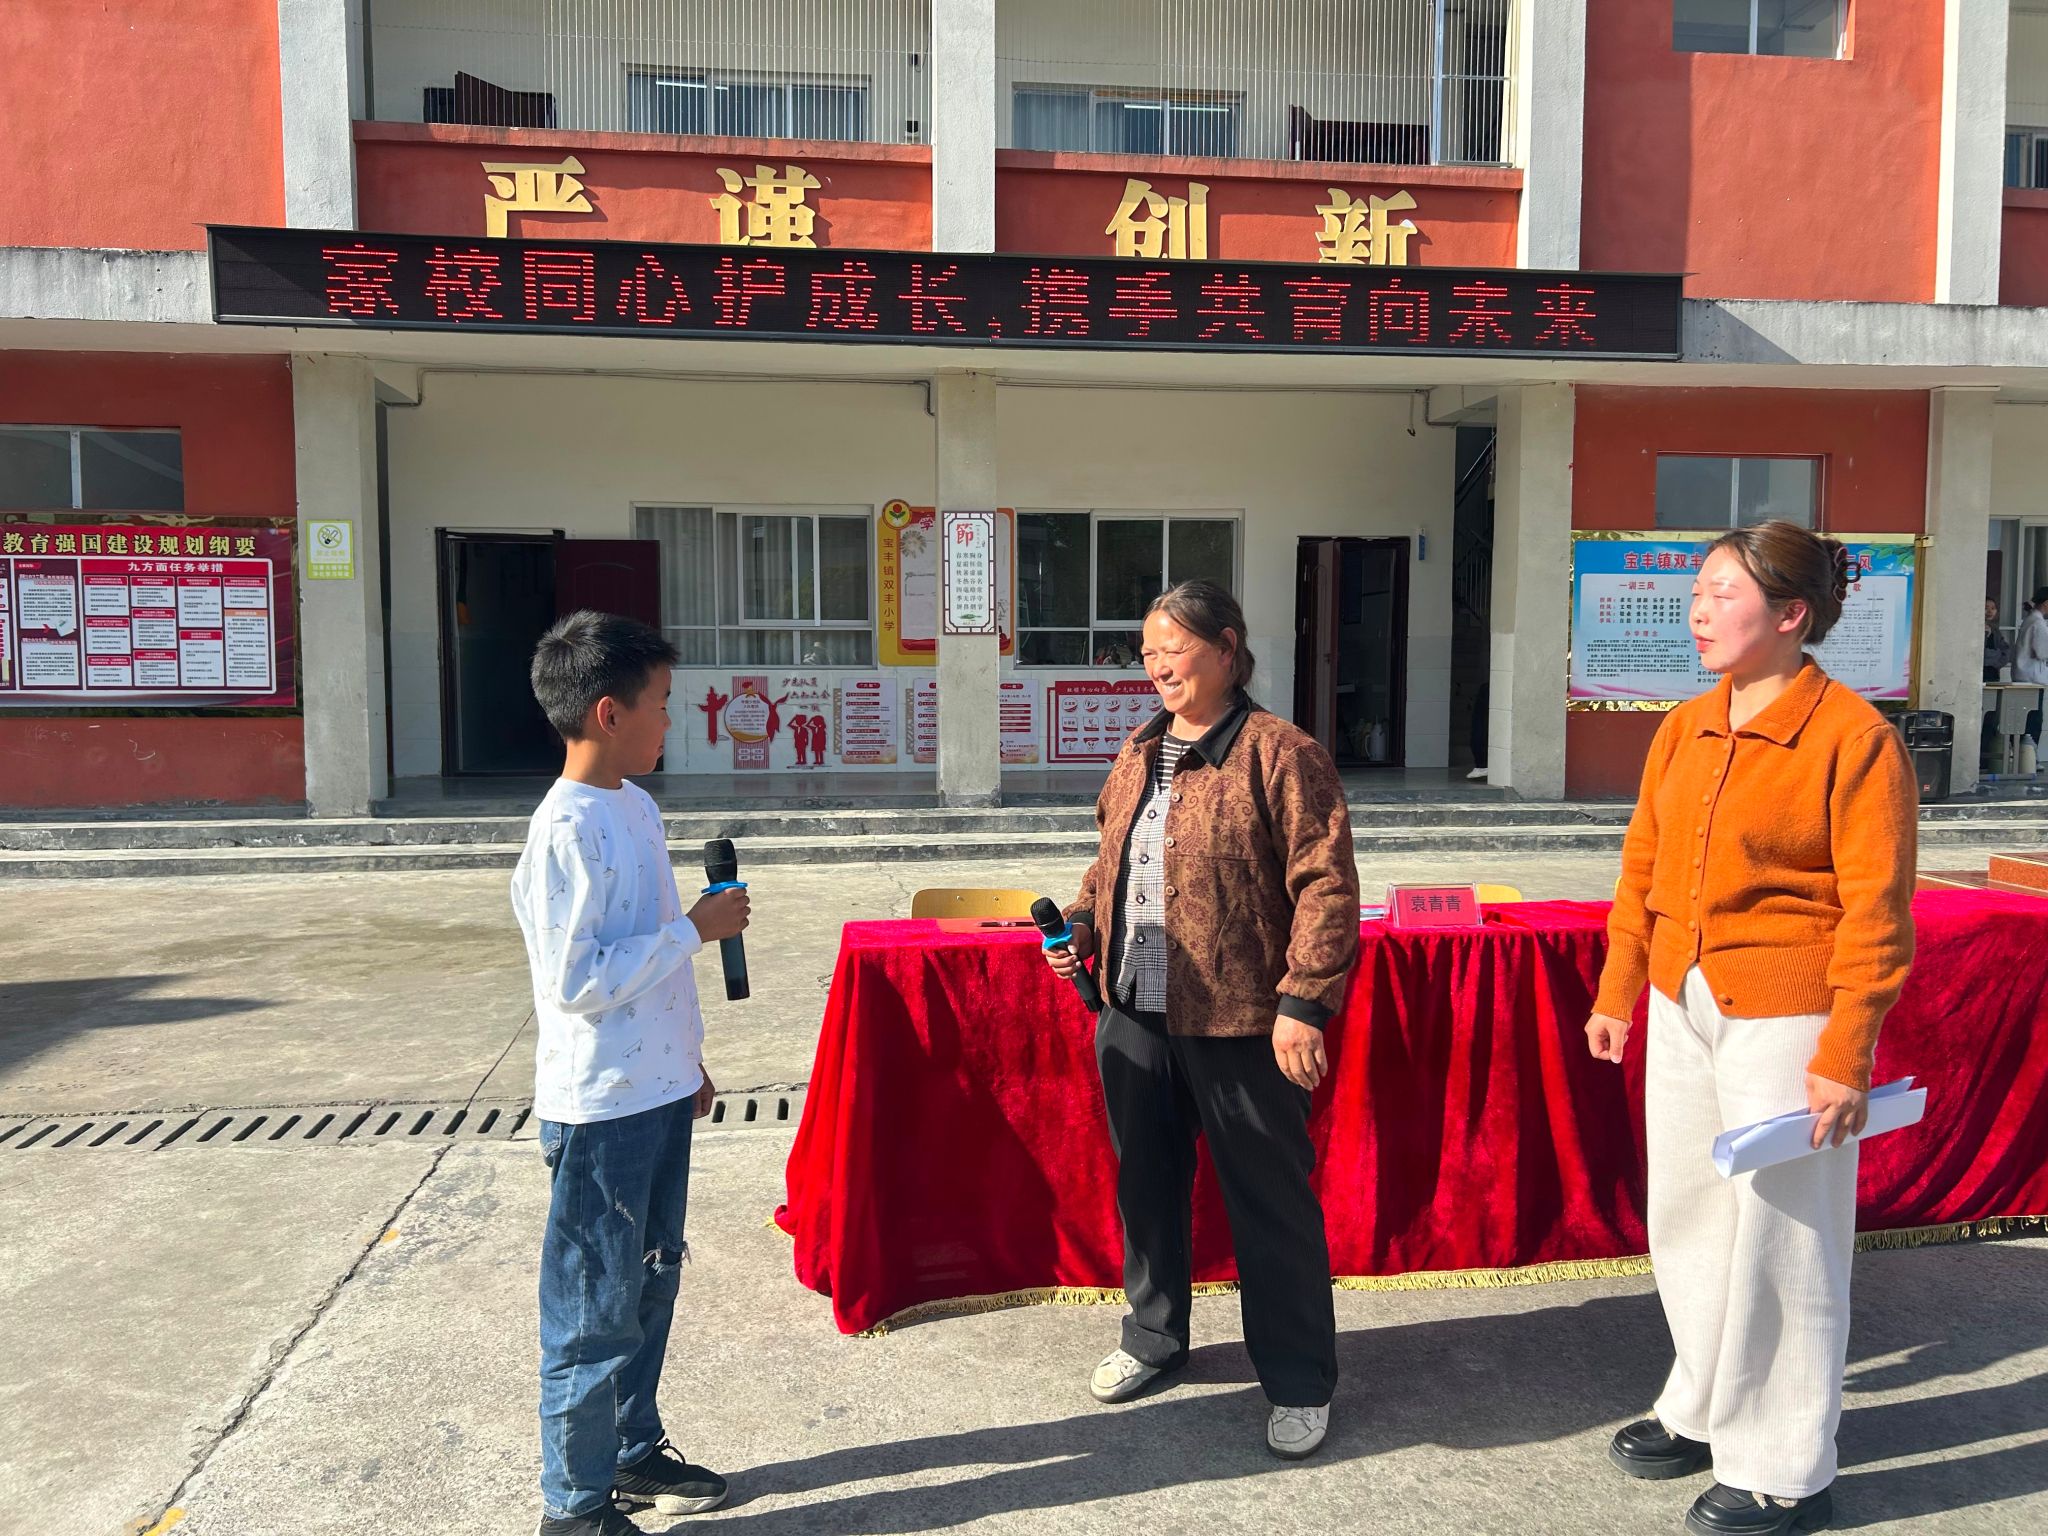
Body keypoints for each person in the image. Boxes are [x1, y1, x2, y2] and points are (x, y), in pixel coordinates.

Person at [1585, 523, 1917, 1536]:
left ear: (1789, 615)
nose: (1696, 610)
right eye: (1696, 590)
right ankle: (1702, 1404)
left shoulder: (1853, 737)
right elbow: (1642, 867)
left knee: (1784, 1237)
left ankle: (1783, 1466)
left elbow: (1877, 912)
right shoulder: (1684, 726)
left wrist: (1845, 1051)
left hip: (1789, 1014)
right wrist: (1618, 989)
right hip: (1682, 1001)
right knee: (1689, 1212)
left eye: (1721, 593)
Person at [1044, 580, 1360, 1460]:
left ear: (1226, 648)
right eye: (1148, 650)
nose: (1157, 664)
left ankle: (1298, 1378)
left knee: (1270, 1203)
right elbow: (1110, 861)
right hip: (1134, 1012)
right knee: (1146, 1187)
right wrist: (1082, 925)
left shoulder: (1280, 752)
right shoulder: (1139, 748)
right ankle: (1154, 1337)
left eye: (1173, 647)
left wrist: (1303, 1002)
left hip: (1243, 1019)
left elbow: (1327, 886)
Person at [511, 610, 752, 1536]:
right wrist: (696, 929)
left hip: (656, 1091)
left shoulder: (637, 807)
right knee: (591, 1314)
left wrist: (686, 1060)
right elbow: (577, 982)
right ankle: (573, 1509)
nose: (670, 720)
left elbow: (646, 952)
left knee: (651, 1281)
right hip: (602, 1109)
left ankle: (629, 1448)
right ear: (608, 713)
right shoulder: (564, 831)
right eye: (660, 703)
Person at [2013, 586, 2048, 748]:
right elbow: (2042, 652)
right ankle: (2029, 755)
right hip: (2032, 678)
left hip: (2024, 676)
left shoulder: (2031, 619)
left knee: (2024, 718)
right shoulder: (2038, 623)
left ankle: (2023, 753)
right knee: (2033, 719)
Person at [1984, 599, 2014, 769]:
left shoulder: (1995, 630)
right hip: (1980, 677)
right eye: (1986, 607)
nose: (1990, 611)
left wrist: (1994, 657)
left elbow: (2006, 653)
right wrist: (1995, 655)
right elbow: (1980, 654)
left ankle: (1987, 760)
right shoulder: (1975, 628)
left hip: (1993, 677)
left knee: (1992, 719)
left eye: (1993, 608)